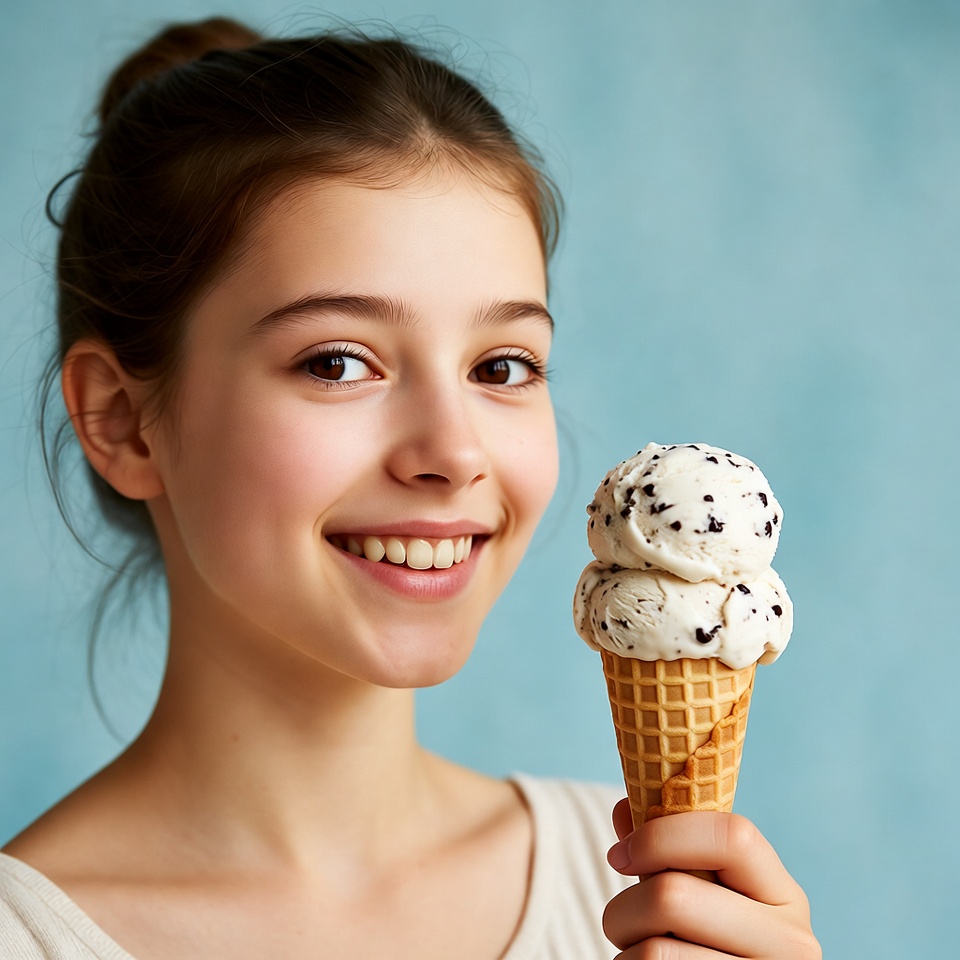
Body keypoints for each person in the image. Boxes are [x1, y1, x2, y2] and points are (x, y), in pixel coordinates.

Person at [0, 17, 820, 959]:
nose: (454, 452)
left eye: (502, 367)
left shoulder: (654, 888)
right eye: (338, 362)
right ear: (121, 419)